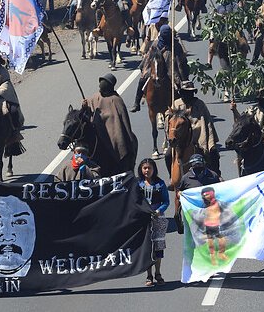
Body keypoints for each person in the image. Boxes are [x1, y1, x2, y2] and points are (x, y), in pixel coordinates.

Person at [85, 73, 139, 173]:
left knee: (119, 141)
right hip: (97, 132)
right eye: (101, 83)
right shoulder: (95, 97)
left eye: (104, 83)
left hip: (112, 133)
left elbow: (122, 121)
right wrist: (85, 105)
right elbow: (88, 109)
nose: (101, 85)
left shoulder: (116, 100)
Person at [170, 81, 220, 172]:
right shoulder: (176, 104)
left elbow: (207, 121)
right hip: (181, 137)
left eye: (190, 92)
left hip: (198, 135)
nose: (188, 95)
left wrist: (210, 141)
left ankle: (216, 174)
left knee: (213, 153)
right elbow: (170, 118)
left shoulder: (199, 104)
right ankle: (172, 176)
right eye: (185, 92)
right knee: (168, 155)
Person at [138, 158, 169, 286]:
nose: (147, 170)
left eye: (149, 168)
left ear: (154, 169)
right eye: (145, 168)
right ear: (141, 169)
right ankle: (149, 275)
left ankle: (158, 273)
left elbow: (166, 202)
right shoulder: (137, 184)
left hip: (158, 219)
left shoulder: (160, 184)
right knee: (146, 247)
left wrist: (159, 211)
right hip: (143, 219)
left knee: (158, 247)